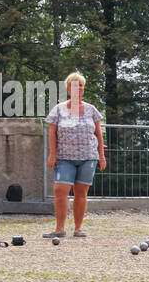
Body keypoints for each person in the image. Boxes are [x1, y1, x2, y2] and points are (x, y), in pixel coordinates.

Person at [43, 72, 105, 238]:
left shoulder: (92, 110)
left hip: (88, 157)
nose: (78, 89)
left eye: (81, 86)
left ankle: (78, 228)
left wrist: (101, 156)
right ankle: (59, 228)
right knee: (60, 190)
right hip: (64, 157)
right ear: (69, 89)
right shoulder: (58, 109)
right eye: (74, 86)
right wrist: (52, 154)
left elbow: (99, 134)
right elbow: (51, 133)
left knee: (81, 193)